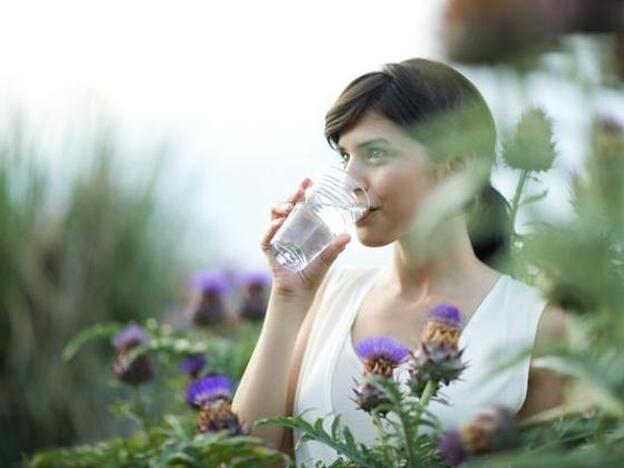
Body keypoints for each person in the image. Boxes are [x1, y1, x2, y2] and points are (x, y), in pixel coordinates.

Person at [232, 58, 568, 465]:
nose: (351, 180)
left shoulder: (538, 323)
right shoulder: (327, 297)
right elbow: (241, 458)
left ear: (456, 166)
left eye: (374, 153)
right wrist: (288, 295)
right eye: (344, 157)